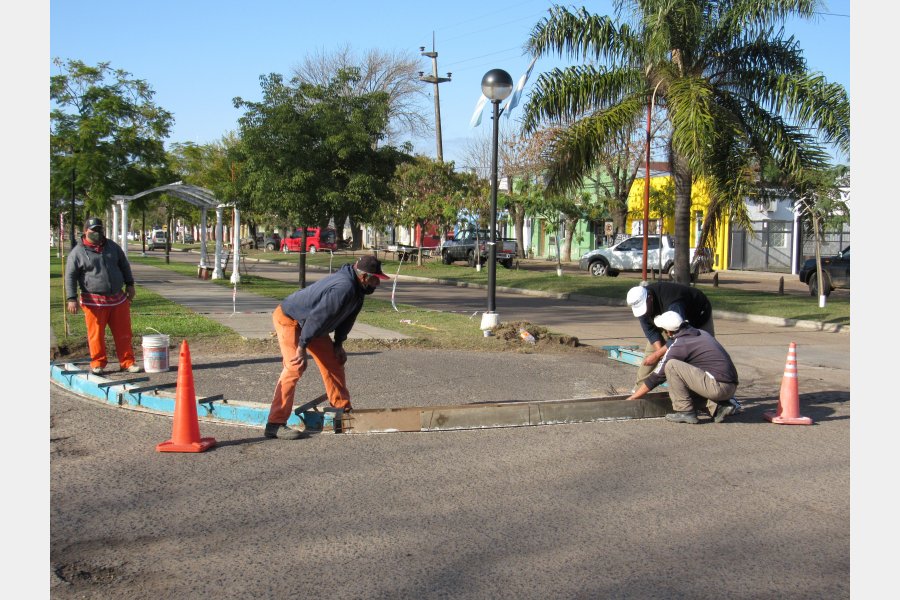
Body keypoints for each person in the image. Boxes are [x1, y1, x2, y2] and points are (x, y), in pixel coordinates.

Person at [265, 255, 390, 440]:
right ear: (364, 277)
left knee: (334, 361)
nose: (377, 284)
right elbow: (317, 317)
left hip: (310, 324)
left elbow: (348, 319)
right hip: (290, 318)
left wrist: (338, 343)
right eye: (375, 279)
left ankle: (342, 410)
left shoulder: (358, 290)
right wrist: (301, 347)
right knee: (295, 366)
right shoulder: (344, 288)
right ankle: (274, 424)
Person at [627, 311, 739, 424]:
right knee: (685, 376)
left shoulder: (680, 344)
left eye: (664, 330)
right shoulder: (702, 333)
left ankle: (685, 412)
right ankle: (719, 407)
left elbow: (657, 377)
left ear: (669, 332)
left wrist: (633, 397)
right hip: (730, 387)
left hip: (717, 387)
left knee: (671, 366)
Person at [65, 217, 141, 375]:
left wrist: (130, 284)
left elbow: (124, 265)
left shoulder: (112, 246)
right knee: (96, 335)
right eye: (93, 231)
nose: (97, 234)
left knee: (124, 333)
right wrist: (71, 298)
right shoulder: (77, 252)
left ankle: (127, 362)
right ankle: (98, 362)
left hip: (117, 298)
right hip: (94, 300)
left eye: (100, 230)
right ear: (86, 231)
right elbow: (70, 276)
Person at [626, 281, 715, 388]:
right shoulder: (641, 304)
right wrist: (659, 354)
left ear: (649, 297)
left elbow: (680, 337)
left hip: (698, 316)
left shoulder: (674, 303)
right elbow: (651, 332)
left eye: (644, 309)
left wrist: (658, 355)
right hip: (666, 320)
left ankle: (719, 395)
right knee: (651, 357)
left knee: (704, 356)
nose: (644, 313)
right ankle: (638, 391)